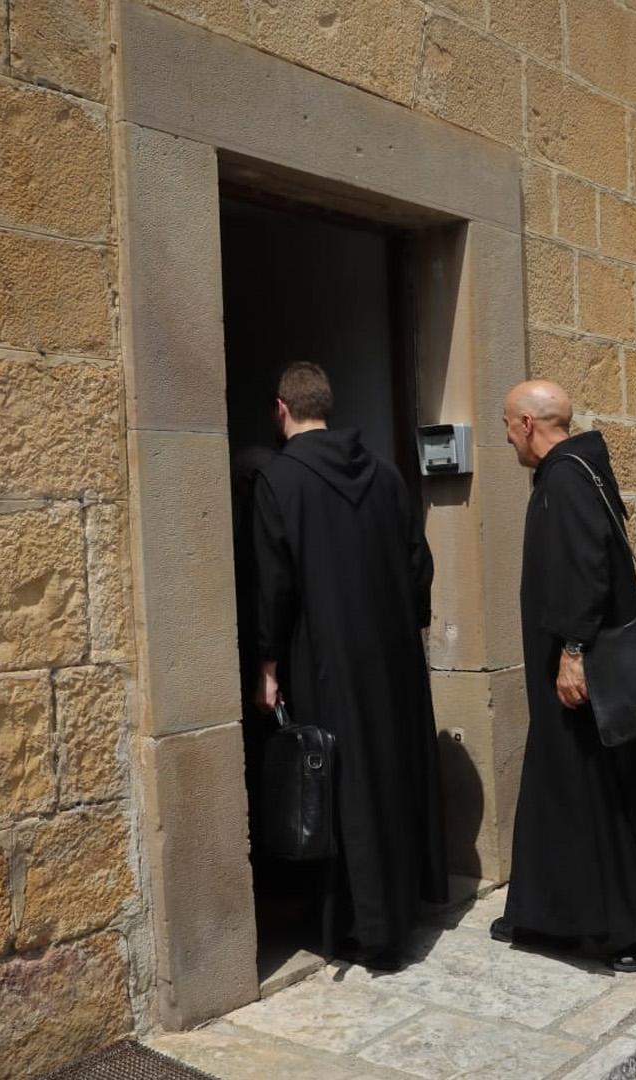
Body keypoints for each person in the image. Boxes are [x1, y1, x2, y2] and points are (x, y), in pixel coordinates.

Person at [492, 380, 636, 972]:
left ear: (529, 425)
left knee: (606, 794)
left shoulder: (564, 479)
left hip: (584, 672)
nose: (506, 434)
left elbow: (586, 566)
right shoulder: (577, 469)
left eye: (508, 424)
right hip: (585, 665)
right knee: (569, 792)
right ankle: (549, 913)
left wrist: (571, 649)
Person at [251, 361, 446, 971]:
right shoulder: (386, 474)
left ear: (281, 409)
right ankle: (405, 905)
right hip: (391, 655)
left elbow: (272, 585)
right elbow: (419, 562)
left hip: (324, 656)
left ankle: (362, 928)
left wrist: (267, 660)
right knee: (389, 768)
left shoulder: (278, 481)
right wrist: (405, 621)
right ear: (326, 407)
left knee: (341, 781)